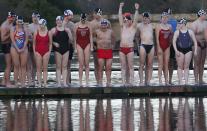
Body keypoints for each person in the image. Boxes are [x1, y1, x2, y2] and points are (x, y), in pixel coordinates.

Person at [118, 2, 139, 85]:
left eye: (127, 19)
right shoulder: (122, 26)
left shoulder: (133, 28)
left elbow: (136, 19)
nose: (125, 21)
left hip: (130, 49)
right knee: (123, 67)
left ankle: (132, 82)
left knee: (130, 66)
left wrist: (137, 10)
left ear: (130, 20)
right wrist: (120, 8)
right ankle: (123, 82)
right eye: (125, 19)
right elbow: (120, 17)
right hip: (122, 49)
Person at [173, 18, 198, 85]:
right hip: (180, 50)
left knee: (186, 67)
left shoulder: (190, 32)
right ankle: (181, 82)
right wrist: (176, 51)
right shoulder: (177, 32)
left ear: (183, 24)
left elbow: (195, 42)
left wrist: (195, 51)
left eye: (179, 23)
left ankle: (186, 82)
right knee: (180, 66)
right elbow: (174, 42)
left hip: (188, 50)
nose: (178, 24)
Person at [51, 16, 73, 87]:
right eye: (57, 20)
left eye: (60, 20)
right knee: (58, 67)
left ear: (62, 21)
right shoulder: (53, 30)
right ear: (56, 21)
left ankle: (64, 83)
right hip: (57, 50)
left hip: (66, 49)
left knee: (64, 66)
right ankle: (59, 83)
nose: (59, 22)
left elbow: (71, 40)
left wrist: (70, 36)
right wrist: (54, 43)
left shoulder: (67, 30)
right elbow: (49, 40)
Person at [95, 19, 115, 86]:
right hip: (101, 50)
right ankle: (100, 82)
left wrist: (113, 46)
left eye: (105, 25)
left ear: (107, 25)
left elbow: (114, 39)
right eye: (102, 25)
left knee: (108, 67)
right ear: (100, 25)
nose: (103, 26)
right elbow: (91, 38)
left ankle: (108, 82)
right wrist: (95, 46)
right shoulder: (97, 31)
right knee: (100, 67)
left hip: (109, 51)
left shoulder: (110, 31)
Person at [74, 13, 93, 86]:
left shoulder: (89, 25)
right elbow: (75, 37)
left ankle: (87, 81)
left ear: (86, 18)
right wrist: (75, 47)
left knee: (87, 64)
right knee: (81, 64)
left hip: (87, 43)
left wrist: (91, 46)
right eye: (82, 19)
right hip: (79, 44)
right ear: (80, 18)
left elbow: (90, 36)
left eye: (84, 19)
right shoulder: (76, 25)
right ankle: (80, 81)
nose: (83, 20)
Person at [10, 16, 28, 87]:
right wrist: (17, 48)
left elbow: (26, 39)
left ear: (22, 22)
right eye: (18, 21)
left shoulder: (25, 29)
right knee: (16, 65)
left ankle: (23, 82)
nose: (19, 23)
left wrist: (23, 48)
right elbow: (12, 39)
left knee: (23, 66)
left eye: (21, 22)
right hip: (14, 48)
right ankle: (16, 82)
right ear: (16, 21)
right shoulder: (13, 28)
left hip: (24, 48)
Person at [33, 19, 52, 87]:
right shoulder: (36, 32)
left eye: (42, 24)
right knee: (38, 68)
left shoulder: (48, 32)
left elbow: (50, 43)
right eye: (40, 24)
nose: (41, 26)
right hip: (38, 51)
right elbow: (34, 43)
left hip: (46, 51)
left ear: (45, 24)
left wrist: (49, 52)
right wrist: (35, 52)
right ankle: (39, 83)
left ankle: (45, 83)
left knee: (45, 68)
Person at [189, 9, 207, 84]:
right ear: (201, 15)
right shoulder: (194, 24)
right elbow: (192, 36)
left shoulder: (206, 23)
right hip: (197, 44)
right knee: (196, 62)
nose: (206, 16)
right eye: (205, 14)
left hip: (205, 44)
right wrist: (198, 42)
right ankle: (196, 80)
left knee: (202, 62)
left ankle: (201, 79)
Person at [137, 12, 154, 85]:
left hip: (151, 45)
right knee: (141, 64)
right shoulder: (139, 26)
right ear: (142, 18)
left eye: (146, 18)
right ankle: (141, 81)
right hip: (143, 45)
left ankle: (148, 81)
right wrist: (138, 45)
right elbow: (136, 36)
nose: (145, 19)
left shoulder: (151, 25)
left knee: (150, 65)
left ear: (148, 18)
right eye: (144, 17)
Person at [155, 12, 172, 85]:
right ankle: (160, 81)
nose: (165, 19)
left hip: (167, 46)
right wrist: (158, 48)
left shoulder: (170, 26)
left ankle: (166, 81)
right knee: (160, 64)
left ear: (168, 18)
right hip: (160, 46)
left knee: (166, 64)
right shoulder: (158, 26)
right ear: (161, 18)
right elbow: (157, 39)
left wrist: (170, 44)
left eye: (166, 17)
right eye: (163, 17)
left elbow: (171, 35)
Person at [0, 11, 16, 87]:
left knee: (11, 65)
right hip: (6, 46)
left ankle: (3, 81)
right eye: (12, 17)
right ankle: (8, 83)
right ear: (9, 17)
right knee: (9, 65)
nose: (14, 19)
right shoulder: (4, 26)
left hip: (10, 45)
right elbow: (2, 39)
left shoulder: (11, 23)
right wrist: (10, 34)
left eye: (14, 17)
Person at [90, 8, 103, 84]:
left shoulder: (105, 22)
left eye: (96, 13)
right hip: (95, 44)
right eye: (94, 14)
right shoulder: (91, 23)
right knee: (96, 64)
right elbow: (90, 36)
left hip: (104, 45)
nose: (95, 15)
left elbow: (110, 33)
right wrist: (93, 45)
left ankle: (101, 80)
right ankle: (98, 81)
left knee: (102, 64)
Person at [165, 8, 178, 84]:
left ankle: (170, 80)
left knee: (171, 62)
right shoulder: (162, 22)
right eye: (168, 13)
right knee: (165, 63)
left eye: (170, 13)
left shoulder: (174, 22)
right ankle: (165, 80)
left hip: (172, 45)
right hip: (165, 45)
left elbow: (176, 33)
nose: (169, 15)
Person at [27, 12, 40, 86]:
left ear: (39, 18)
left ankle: (36, 80)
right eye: (34, 17)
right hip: (31, 47)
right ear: (32, 18)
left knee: (37, 65)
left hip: (39, 47)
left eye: (36, 17)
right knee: (30, 64)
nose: (35, 19)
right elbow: (27, 38)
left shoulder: (41, 25)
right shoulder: (29, 26)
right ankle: (31, 80)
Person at [63, 9, 75, 85]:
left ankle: (69, 81)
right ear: (66, 15)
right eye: (70, 15)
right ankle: (64, 81)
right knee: (63, 65)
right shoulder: (61, 23)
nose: (72, 17)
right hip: (62, 46)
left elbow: (74, 36)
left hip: (70, 46)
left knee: (68, 64)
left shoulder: (72, 24)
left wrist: (74, 46)